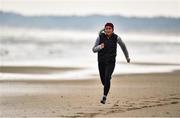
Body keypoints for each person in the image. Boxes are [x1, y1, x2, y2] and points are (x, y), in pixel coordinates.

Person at [92, 23, 130, 104]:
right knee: (104, 81)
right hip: (101, 62)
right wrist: (100, 47)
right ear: (104, 29)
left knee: (107, 77)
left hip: (111, 62)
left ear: (113, 30)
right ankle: (107, 81)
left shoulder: (116, 38)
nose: (108, 30)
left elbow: (123, 47)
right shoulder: (100, 37)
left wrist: (127, 57)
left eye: (110, 28)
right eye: (107, 28)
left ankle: (104, 97)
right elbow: (94, 49)